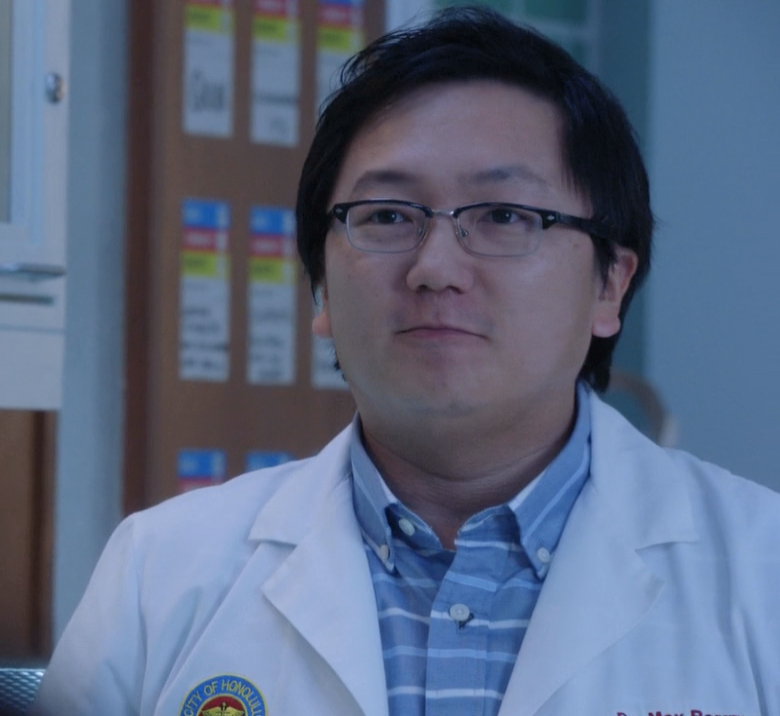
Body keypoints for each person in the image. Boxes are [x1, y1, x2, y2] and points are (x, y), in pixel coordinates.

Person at [34, 7, 780, 716]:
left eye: (504, 216)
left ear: (610, 284)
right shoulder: (161, 572)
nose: (435, 268)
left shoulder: (761, 572)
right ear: (322, 290)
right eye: (387, 216)